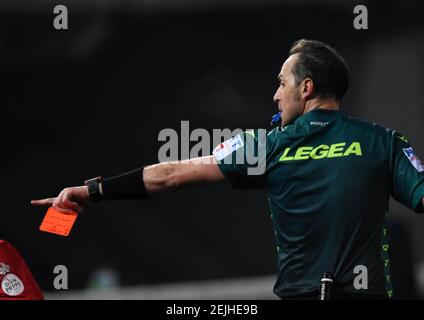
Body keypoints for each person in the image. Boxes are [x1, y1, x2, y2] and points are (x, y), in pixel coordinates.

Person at [31, 39, 424, 300]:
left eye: (281, 83)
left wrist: (94, 191)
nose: (275, 94)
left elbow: (171, 174)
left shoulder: (266, 146)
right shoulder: (383, 141)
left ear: (306, 89)